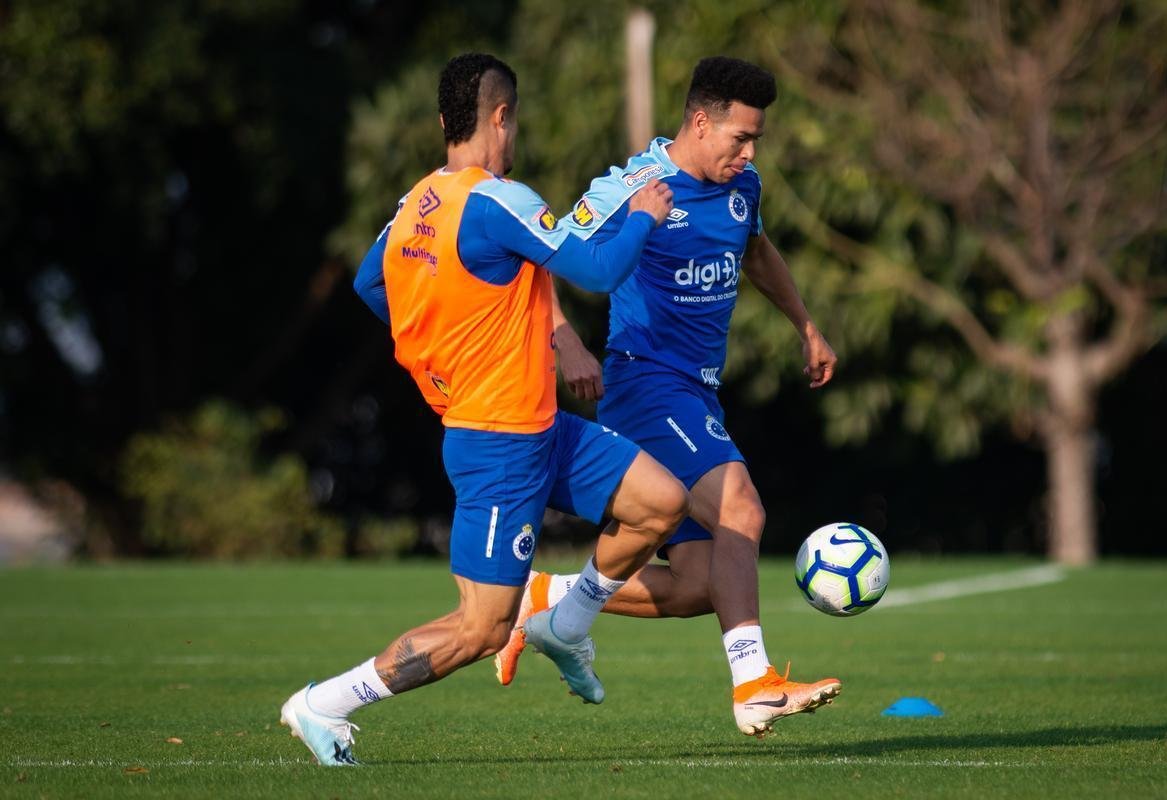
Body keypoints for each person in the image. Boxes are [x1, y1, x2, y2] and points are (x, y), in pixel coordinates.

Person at [280, 53, 688, 766]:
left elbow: (371, 281)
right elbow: (593, 269)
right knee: (482, 631)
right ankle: (324, 704)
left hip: (538, 427)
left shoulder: (416, 202)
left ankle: (567, 621)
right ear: (502, 117)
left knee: (659, 503)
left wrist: (445, 340)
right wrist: (645, 215)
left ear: (445, 121)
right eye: (514, 118)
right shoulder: (500, 199)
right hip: (498, 444)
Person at [494, 56, 841, 738]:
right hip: (644, 385)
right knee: (742, 506)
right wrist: (566, 342)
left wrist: (806, 325)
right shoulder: (634, 186)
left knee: (697, 585)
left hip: (698, 396)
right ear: (700, 122)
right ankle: (754, 685)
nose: (748, 153)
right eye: (739, 138)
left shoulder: (743, 186)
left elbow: (757, 251)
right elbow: (541, 251)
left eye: (757, 141)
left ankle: (546, 597)